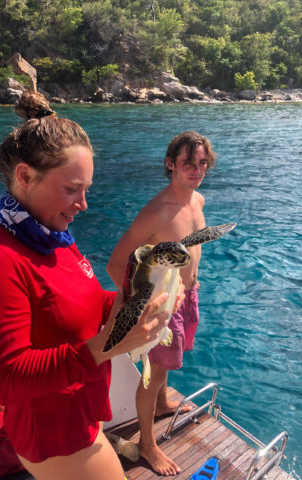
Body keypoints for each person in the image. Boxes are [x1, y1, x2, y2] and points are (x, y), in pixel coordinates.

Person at [0, 91, 174, 480]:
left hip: (80, 416)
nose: (83, 204)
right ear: (24, 176)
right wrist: (106, 346)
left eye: (86, 189)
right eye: (72, 189)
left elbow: (79, 302)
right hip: (52, 436)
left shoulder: (53, 240)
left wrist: (137, 298)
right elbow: (6, 380)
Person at [106, 131, 217, 476]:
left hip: (186, 298)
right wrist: (141, 307)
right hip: (161, 307)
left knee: (165, 368)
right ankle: (147, 446)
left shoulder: (196, 201)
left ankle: (163, 404)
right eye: (188, 163)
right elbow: (116, 263)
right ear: (170, 164)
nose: (196, 170)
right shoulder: (157, 212)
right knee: (151, 377)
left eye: (202, 163)